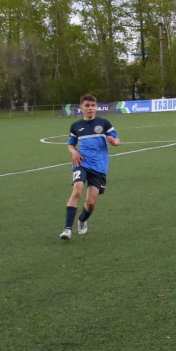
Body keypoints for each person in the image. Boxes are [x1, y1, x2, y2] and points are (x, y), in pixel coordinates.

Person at [60, 93, 120, 241]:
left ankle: (82, 219)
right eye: (87, 106)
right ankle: (67, 229)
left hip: (99, 167)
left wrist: (114, 141)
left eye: (93, 105)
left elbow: (117, 139)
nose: (90, 108)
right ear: (81, 107)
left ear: (96, 107)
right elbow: (71, 144)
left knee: (91, 203)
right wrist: (74, 152)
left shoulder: (104, 123)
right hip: (82, 163)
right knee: (77, 190)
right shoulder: (76, 126)